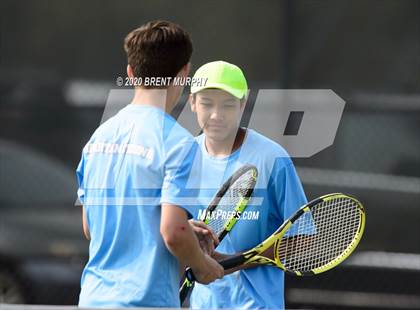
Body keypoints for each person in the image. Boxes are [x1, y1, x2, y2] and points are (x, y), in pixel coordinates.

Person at [75, 21, 223, 308]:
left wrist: (179, 229)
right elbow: (174, 233)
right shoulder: (179, 143)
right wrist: (203, 265)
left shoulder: (98, 138)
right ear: (184, 74)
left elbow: (91, 226)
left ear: (131, 73)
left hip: (93, 299)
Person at [188, 61, 307, 309]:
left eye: (228, 105)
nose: (216, 115)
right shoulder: (182, 159)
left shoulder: (273, 159)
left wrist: (234, 261)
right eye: (207, 103)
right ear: (192, 103)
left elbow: (304, 240)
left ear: (243, 105)